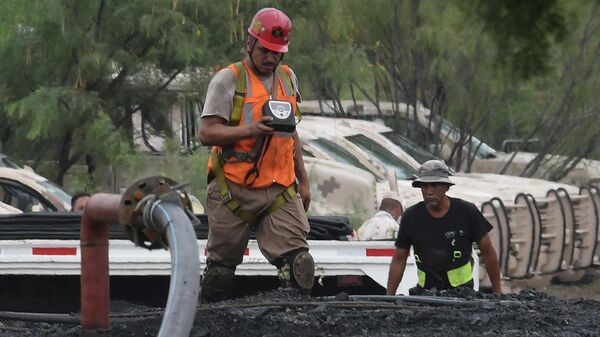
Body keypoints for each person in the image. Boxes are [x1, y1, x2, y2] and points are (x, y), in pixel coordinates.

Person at [198, 8, 313, 303]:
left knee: (300, 266)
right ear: (250, 44)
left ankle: (295, 320)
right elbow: (207, 133)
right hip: (233, 189)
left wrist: (304, 180)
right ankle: (210, 320)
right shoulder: (228, 80)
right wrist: (250, 130)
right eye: (265, 50)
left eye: (277, 52)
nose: (270, 58)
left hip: (279, 188)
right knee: (219, 276)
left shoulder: (288, 79)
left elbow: (292, 134)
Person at [386, 160, 502, 295]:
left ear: (447, 187)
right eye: (424, 186)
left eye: (435, 185)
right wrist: (389, 296)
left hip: (462, 294)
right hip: (425, 293)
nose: (429, 191)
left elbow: (488, 252)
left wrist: (497, 292)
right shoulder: (411, 217)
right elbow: (399, 259)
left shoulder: (466, 212)